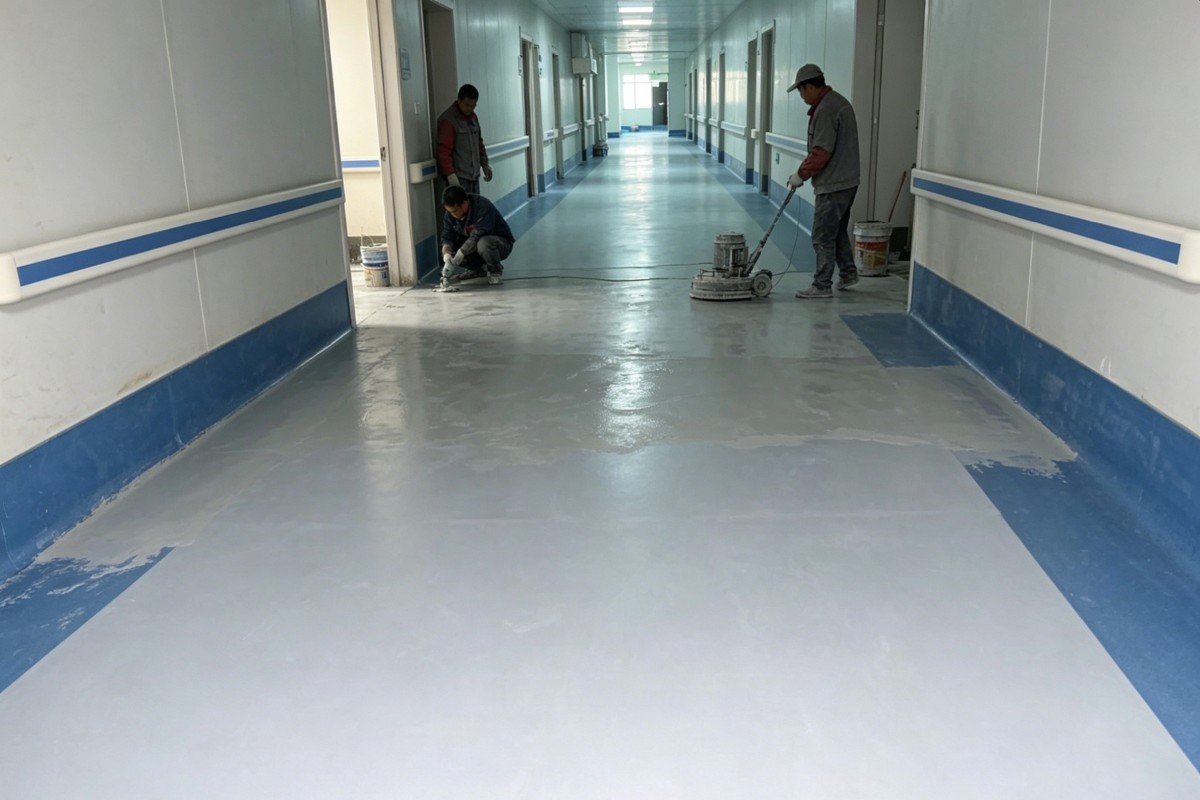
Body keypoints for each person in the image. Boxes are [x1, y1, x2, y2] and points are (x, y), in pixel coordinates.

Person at [786, 64, 861, 299]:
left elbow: (821, 151)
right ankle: (848, 273)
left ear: (809, 86)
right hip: (848, 181)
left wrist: (800, 174)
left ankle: (821, 285)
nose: (801, 96)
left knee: (821, 235)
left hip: (834, 184)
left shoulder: (827, 109)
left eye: (801, 91)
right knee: (836, 231)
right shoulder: (838, 102)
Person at [439, 184, 514, 287]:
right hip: (474, 246)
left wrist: (460, 253)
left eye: (454, 211)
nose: (452, 215)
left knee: (483, 243)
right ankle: (477, 270)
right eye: (449, 212)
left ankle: (495, 271)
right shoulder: (450, 214)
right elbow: (447, 236)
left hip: (500, 244)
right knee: (452, 250)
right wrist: (446, 253)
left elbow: (479, 235)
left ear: (464, 203)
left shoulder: (482, 206)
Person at [437, 84, 492, 195]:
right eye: (467, 105)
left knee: (474, 205)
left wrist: (485, 164)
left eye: (473, 106)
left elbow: (479, 143)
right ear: (459, 100)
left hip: (474, 176)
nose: (470, 109)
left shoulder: (473, 118)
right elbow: (443, 151)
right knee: (461, 206)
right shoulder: (448, 121)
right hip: (459, 177)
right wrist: (450, 174)